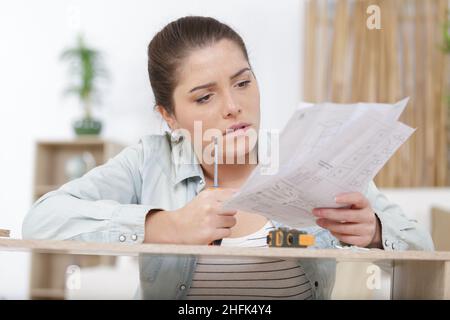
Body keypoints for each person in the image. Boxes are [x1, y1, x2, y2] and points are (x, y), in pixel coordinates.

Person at [23, 16, 434, 300]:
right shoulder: (150, 160)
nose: (234, 106)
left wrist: (376, 232)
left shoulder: (313, 156)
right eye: (205, 96)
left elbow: (422, 245)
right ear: (167, 115)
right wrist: (166, 226)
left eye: (243, 82)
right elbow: (42, 219)